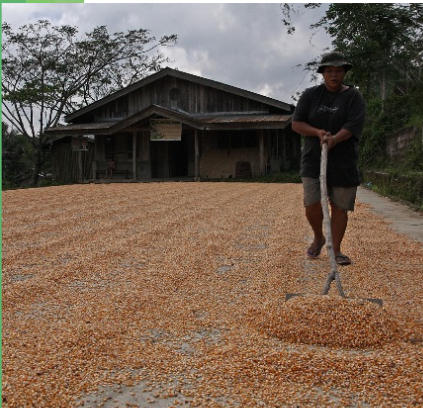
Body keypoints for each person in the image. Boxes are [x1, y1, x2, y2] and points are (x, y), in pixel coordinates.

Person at [292, 51, 366, 265]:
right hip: (313, 159)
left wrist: (335, 139)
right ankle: (319, 237)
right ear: (323, 73)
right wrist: (317, 132)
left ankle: (336, 250)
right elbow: (297, 124)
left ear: (344, 73)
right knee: (312, 204)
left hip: (344, 161)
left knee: (340, 206)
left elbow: (353, 125)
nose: (334, 75)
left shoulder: (353, 97)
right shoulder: (310, 95)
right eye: (330, 71)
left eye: (338, 71)